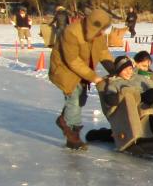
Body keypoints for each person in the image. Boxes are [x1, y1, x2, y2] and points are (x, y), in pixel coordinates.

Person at [49, 8, 114, 151]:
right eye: (102, 30)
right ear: (93, 26)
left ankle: (63, 120)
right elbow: (72, 61)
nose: (104, 33)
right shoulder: (71, 32)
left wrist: (114, 69)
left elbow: (103, 52)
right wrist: (94, 77)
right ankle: (72, 135)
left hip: (83, 69)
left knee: (81, 99)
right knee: (75, 99)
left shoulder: (99, 34)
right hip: (65, 69)